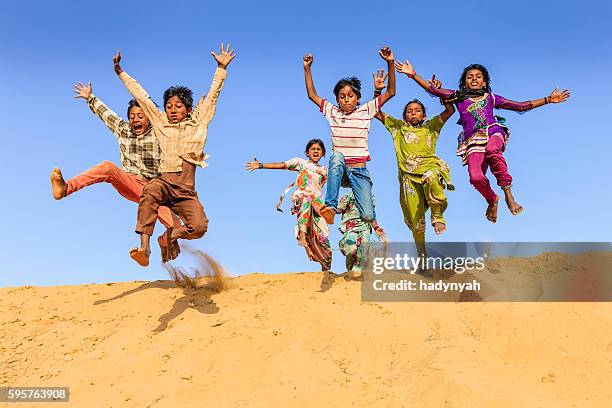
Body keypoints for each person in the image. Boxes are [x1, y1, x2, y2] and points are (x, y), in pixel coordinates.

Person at [396, 60, 570, 222]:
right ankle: (493, 199)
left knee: (493, 150)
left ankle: (509, 195)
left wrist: (548, 99)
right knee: (476, 178)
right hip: (473, 140)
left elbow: (520, 106)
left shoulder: (491, 98)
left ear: (484, 82)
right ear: (464, 82)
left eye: (478, 77)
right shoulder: (458, 96)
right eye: (469, 77)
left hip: (493, 131)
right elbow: (434, 90)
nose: (474, 79)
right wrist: (412, 74)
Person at [113, 43, 236, 266]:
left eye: (178, 106)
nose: (172, 109)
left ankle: (167, 237)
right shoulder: (161, 123)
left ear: (187, 109)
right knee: (150, 191)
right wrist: (121, 73)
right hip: (164, 183)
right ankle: (144, 249)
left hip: (186, 192)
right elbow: (140, 95)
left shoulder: (199, 123)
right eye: (169, 105)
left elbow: (212, 97)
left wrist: (221, 69)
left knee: (199, 227)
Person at [50, 82, 181, 258]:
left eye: (141, 116)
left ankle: (163, 241)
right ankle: (66, 188)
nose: (136, 120)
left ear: (149, 118)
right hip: (130, 182)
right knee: (108, 167)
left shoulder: (159, 133)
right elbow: (106, 115)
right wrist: (90, 97)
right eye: (132, 116)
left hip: (155, 190)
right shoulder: (123, 129)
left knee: (178, 227)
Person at [303, 46, 396, 225]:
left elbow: (391, 92)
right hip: (341, 169)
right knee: (337, 156)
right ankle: (330, 206)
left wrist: (390, 63)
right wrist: (307, 69)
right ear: (337, 100)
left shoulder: (365, 111)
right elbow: (312, 95)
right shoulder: (333, 112)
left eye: (350, 95)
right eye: (342, 96)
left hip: (359, 171)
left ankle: (361, 216)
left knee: (368, 216)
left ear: (358, 98)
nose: (346, 99)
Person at [372, 69, 455, 258]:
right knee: (416, 222)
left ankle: (437, 215)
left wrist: (437, 92)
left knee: (432, 175)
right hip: (408, 179)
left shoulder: (431, 127)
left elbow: (450, 110)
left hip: (428, 169)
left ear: (424, 115)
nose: (413, 113)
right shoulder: (398, 128)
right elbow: (375, 112)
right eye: (409, 111)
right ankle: (422, 255)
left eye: (417, 110)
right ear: (404, 117)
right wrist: (377, 91)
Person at [245, 139, 332, 271]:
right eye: (312, 149)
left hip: (318, 206)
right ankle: (302, 236)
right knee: (307, 200)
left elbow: (337, 180)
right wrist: (261, 165)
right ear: (307, 152)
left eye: (319, 149)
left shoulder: (325, 171)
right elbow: (282, 165)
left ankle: (325, 266)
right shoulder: (300, 162)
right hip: (302, 198)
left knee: (323, 238)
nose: (315, 151)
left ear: (323, 153)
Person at [337, 191, 387, 273]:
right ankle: (350, 269)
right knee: (351, 249)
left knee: (363, 252)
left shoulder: (369, 197)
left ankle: (356, 273)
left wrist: (376, 227)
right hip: (351, 228)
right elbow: (338, 209)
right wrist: (329, 209)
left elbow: (371, 214)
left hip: (365, 227)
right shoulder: (348, 196)